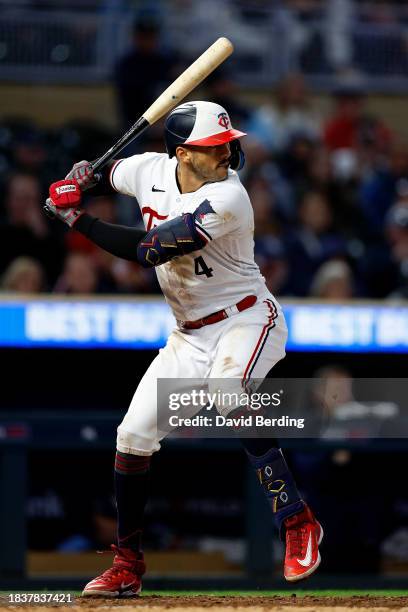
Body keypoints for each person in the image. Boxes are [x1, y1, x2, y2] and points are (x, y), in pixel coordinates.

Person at [44, 101, 323, 596]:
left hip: (246, 316)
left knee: (227, 392)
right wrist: (85, 175)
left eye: (227, 143)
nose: (228, 152)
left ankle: (297, 522)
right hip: (188, 333)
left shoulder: (229, 197)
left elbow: (148, 249)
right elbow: (112, 172)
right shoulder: (148, 168)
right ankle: (127, 566)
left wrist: (75, 218)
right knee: (132, 437)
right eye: (214, 146)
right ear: (182, 154)